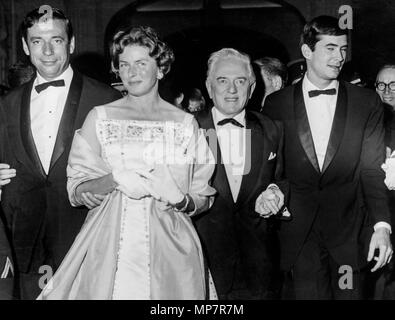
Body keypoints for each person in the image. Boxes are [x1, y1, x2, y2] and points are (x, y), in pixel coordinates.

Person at [38, 26, 216, 300]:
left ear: (160, 69)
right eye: (124, 65)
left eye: (141, 63)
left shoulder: (185, 123)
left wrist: (180, 199)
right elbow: (76, 189)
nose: (131, 73)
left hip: (171, 246)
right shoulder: (100, 117)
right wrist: (114, 179)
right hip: (110, 244)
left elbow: (202, 195)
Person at [263, 15, 392, 299]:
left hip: (350, 234)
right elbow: (273, 170)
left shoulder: (366, 102)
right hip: (299, 236)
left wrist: (382, 226)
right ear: (307, 51)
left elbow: (372, 171)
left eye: (343, 49)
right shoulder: (276, 104)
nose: (340, 57)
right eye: (330, 48)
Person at [0, 7, 120, 299]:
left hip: (85, 237)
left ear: (72, 44)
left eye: (56, 39)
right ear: (26, 47)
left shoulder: (108, 100)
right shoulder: (6, 104)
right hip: (24, 247)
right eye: (38, 41)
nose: (48, 50)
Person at [194, 48, 288, 300]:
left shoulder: (271, 128)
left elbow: (283, 178)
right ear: (208, 85)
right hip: (203, 266)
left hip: (258, 269)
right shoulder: (188, 128)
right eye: (222, 80)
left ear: (253, 86)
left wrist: (275, 191)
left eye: (240, 81)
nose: (232, 89)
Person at [375, 64, 395, 299]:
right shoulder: (369, 121)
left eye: (393, 85)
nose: (387, 90)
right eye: (382, 84)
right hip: (379, 215)